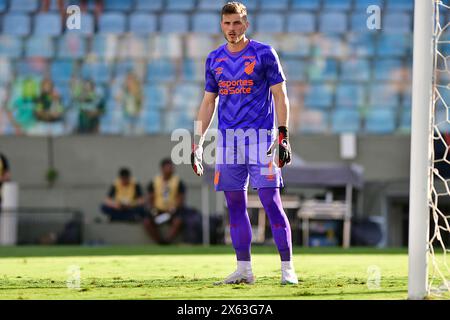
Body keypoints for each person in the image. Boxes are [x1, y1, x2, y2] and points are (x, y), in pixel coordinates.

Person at [190, 2, 298, 285]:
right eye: (227, 24)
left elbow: (280, 95)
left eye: (237, 23)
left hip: (261, 139)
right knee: (234, 205)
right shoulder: (214, 59)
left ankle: (287, 270)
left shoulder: (264, 53)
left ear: (246, 24)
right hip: (228, 142)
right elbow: (208, 102)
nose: (232, 29)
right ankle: (244, 270)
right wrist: (197, 143)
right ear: (221, 25)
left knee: (269, 201)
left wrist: (283, 136)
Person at [143, 158, 188, 244]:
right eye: (168, 167)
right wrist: (153, 209)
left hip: (172, 211)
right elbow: (150, 197)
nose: (171, 169)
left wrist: (174, 208)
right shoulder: (155, 181)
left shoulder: (177, 181)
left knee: (178, 221)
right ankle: (159, 241)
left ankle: (167, 241)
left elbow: (181, 198)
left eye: (171, 167)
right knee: (147, 222)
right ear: (162, 168)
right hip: (158, 210)